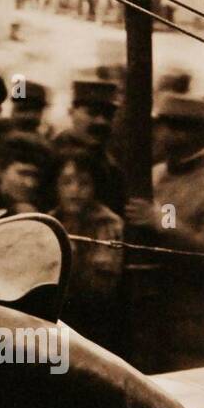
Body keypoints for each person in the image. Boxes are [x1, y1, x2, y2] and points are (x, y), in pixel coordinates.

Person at [126, 94, 204, 372]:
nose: (166, 134)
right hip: (146, 325)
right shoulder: (155, 174)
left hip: (192, 335)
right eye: (163, 125)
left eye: (179, 127)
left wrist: (164, 224)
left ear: (203, 134)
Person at [51, 149, 124, 348]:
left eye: (84, 183)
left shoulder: (107, 224)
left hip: (95, 324)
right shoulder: (50, 222)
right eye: (67, 182)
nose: (75, 190)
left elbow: (102, 288)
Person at [51, 80, 125, 212]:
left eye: (108, 115)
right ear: (71, 112)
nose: (101, 122)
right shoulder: (49, 155)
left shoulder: (113, 166)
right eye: (93, 113)